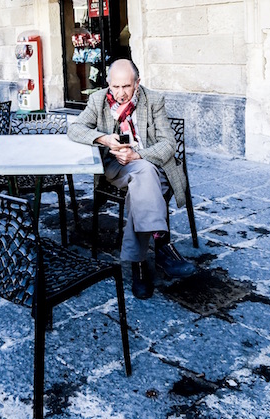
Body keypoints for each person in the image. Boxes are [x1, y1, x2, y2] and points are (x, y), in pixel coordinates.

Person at [68, 58, 195, 299]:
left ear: (137, 83)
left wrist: (138, 154)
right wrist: (103, 139)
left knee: (144, 175)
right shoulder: (98, 100)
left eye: (126, 86)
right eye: (115, 86)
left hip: (149, 165)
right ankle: (162, 244)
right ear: (108, 83)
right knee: (145, 175)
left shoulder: (153, 100)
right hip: (117, 167)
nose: (120, 93)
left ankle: (138, 265)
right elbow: (75, 129)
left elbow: (169, 143)